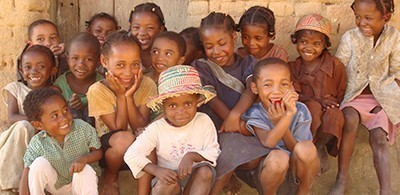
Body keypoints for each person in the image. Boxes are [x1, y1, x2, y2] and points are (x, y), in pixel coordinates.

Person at [192, 12, 267, 194]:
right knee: (232, 148)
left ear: (234, 37)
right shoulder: (201, 67)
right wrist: (231, 120)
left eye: (222, 43)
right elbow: (212, 98)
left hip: (241, 124)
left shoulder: (249, 62)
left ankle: (233, 173)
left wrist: (235, 116)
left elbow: (252, 88)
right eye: (209, 46)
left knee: (256, 155)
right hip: (216, 127)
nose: (216, 52)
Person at [330, 0, 400, 194]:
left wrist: (387, 103)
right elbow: (338, 69)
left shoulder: (394, 38)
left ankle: (385, 189)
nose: (362, 23)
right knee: (350, 120)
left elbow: (398, 72)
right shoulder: (350, 38)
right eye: (358, 17)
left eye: (368, 18)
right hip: (353, 95)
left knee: (379, 138)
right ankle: (341, 178)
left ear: (385, 18)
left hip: (382, 98)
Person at [125, 65, 220, 194]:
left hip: (195, 179)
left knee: (205, 172)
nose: (180, 112)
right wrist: (156, 170)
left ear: (197, 101)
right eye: (172, 105)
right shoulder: (157, 128)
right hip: (168, 179)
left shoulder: (203, 121)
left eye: (188, 104)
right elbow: (131, 155)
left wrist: (191, 156)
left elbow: (213, 151)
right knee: (164, 185)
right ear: (163, 107)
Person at [87, 31, 157, 195]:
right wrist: (120, 96)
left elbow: (140, 125)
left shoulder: (146, 84)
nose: (128, 72)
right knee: (124, 139)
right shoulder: (97, 90)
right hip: (110, 149)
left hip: (138, 144)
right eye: (120, 65)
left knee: (146, 139)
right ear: (104, 61)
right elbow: (117, 128)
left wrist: (129, 96)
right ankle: (111, 176)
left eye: (135, 64)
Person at [240, 58, 319, 194]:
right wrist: (284, 119)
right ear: (254, 88)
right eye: (268, 85)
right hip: (270, 172)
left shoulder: (299, 110)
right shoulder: (255, 113)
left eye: (283, 84)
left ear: (291, 86)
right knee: (279, 157)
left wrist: (289, 114)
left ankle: (304, 192)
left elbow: (301, 153)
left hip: (297, 171)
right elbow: (269, 142)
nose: (276, 91)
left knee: (307, 148)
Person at [289, 14, 347, 175]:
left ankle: (319, 146)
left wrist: (333, 103)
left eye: (316, 44)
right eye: (303, 42)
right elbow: (294, 94)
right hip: (308, 108)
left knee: (335, 115)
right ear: (296, 42)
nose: (309, 48)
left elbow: (342, 90)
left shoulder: (335, 65)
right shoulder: (294, 67)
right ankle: (308, 147)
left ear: (325, 45)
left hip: (330, 107)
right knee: (313, 108)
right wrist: (317, 101)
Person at [19, 88, 102, 195]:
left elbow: (99, 152)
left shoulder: (82, 127)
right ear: (38, 125)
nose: (64, 118)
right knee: (38, 164)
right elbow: (26, 172)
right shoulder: (38, 142)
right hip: (58, 187)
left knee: (85, 170)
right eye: (54, 116)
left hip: (82, 185)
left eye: (65, 110)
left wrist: (84, 159)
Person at [0, 45, 58, 193]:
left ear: (53, 70)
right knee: (24, 126)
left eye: (41, 66)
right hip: (16, 140)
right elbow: (13, 117)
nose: (34, 71)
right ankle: (10, 183)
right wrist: (37, 123)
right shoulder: (16, 88)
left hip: (42, 143)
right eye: (28, 67)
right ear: (21, 70)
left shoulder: (53, 93)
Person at [54, 32, 104, 127]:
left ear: (98, 62)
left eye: (88, 59)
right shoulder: (60, 85)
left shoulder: (102, 83)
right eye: (75, 58)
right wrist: (68, 107)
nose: (81, 64)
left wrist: (86, 105)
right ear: (68, 59)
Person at [129, 2, 166, 73]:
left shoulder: (167, 52)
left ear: (161, 29)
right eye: (136, 27)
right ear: (130, 28)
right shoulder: (123, 50)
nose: (142, 33)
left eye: (150, 28)